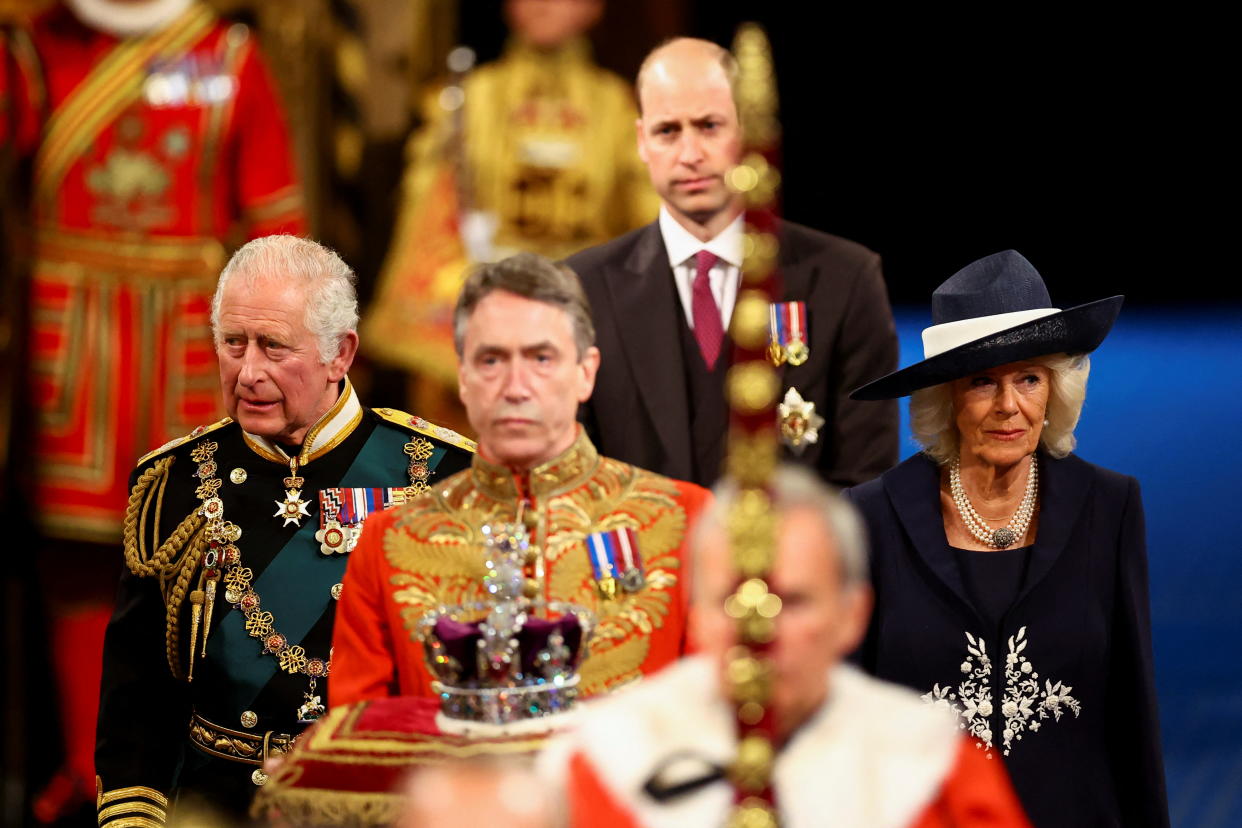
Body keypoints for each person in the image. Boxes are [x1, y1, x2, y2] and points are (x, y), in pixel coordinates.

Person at [1, 0, 305, 815]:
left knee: (198, 548)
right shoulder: (31, 52)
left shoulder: (228, 55)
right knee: (74, 557)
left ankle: (178, 770)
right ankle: (83, 766)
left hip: (189, 343)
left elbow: (276, 217)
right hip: (68, 342)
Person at [94, 236, 474, 826]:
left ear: (340, 354)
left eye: (274, 347)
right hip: (218, 808)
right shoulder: (172, 482)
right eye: (232, 343)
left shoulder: (442, 476)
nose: (248, 373)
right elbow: (138, 697)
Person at [845, 250, 1168, 827]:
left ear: (1054, 392)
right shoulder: (873, 517)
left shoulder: (1110, 506)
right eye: (982, 382)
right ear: (945, 397)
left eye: (1028, 378)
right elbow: (848, 716)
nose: (1008, 406)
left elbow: (1132, 712)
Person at [541, 465, 1031, 827]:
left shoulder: (932, 768)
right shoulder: (604, 762)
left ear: (852, 616)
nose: (758, 632)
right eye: (733, 599)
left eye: (791, 602)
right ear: (697, 616)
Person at [330, 252, 710, 707]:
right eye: (491, 360)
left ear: (585, 372)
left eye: (541, 358)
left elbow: (719, 716)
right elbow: (361, 740)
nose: (515, 387)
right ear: (464, 378)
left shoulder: (689, 522)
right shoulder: (389, 542)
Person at [565, 37, 898, 489]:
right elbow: (568, 476)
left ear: (748, 131)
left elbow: (865, 484)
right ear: (641, 140)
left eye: (708, 126)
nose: (689, 155)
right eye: (668, 131)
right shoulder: (578, 289)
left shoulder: (846, 279)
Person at [361, 0, 657, 429]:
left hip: (582, 312)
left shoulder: (618, 108)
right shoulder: (469, 99)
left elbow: (646, 233)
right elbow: (427, 220)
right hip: (477, 303)